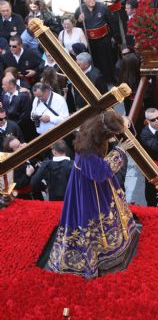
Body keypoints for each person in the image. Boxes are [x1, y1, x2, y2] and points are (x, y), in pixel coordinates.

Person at [47, 111, 137, 279]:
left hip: (89, 179)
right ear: (104, 134)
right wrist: (119, 150)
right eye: (111, 136)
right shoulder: (88, 153)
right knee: (93, 219)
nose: (112, 139)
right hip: (90, 189)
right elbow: (102, 173)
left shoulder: (91, 128)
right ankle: (101, 255)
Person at [74, 0, 115, 83]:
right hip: (90, 42)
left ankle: (109, 80)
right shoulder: (79, 10)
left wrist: (113, 37)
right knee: (94, 62)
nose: (92, 0)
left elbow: (111, 22)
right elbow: (77, 28)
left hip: (104, 40)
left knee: (106, 61)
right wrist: (79, 20)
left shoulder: (102, 7)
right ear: (84, 0)